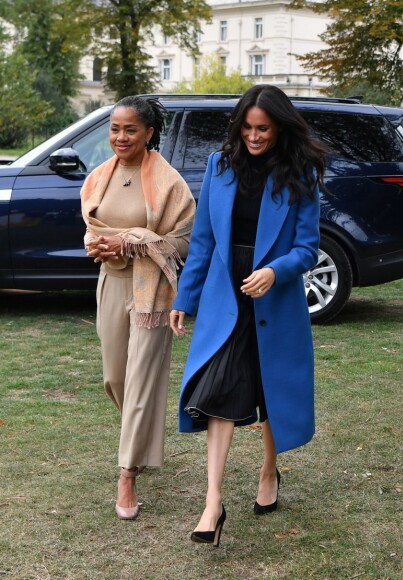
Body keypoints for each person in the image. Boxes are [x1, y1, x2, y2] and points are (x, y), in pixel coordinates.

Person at [169, 84, 326, 546]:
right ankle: (212, 503)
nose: (254, 137)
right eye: (248, 127)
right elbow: (203, 241)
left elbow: (307, 248)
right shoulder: (219, 167)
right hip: (225, 293)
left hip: (273, 297)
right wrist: (185, 297)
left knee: (271, 387)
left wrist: (275, 272)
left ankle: (270, 470)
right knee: (218, 387)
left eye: (263, 129)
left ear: (279, 129)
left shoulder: (301, 175)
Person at [81, 96, 196, 520]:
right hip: (112, 282)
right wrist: (101, 245)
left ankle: (127, 473)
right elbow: (92, 228)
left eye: (130, 129)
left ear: (149, 133)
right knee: (115, 377)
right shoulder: (98, 177)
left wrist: (132, 240)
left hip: (153, 291)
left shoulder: (169, 182)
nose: (120, 137)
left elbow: (184, 239)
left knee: (144, 379)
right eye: (114, 128)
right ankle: (139, 437)